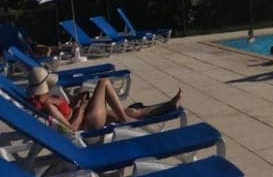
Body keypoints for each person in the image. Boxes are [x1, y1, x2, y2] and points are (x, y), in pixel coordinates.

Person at [27, 66, 181, 132]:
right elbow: (71, 129)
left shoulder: (48, 98)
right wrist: (80, 109)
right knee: (104, 82)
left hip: (87, 115)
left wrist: (77, 98)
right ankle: (125, 119)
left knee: (131, 111)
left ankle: (169, 106)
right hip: (87, 123)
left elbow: (67, 106)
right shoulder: (48, 106)